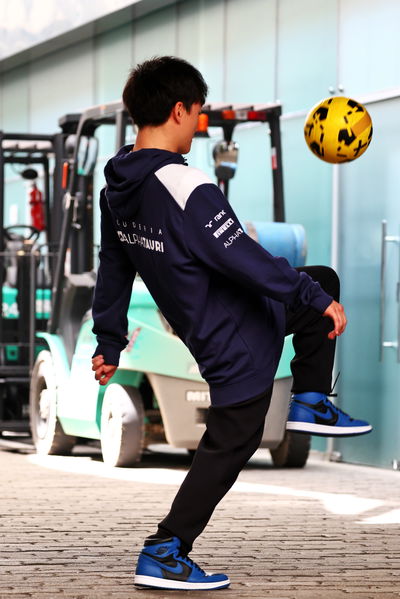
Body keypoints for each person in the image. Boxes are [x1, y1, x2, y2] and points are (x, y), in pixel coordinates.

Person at [91, 56, 372, 591]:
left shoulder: (117, 190)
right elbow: (241, 254)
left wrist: (109, 340)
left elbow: (114, 265)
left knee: (321, 279)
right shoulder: (184, 185)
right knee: (232, 442)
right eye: (197, 113)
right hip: (236, 331)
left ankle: (311, 399)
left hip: (212, 326)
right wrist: (309, 296)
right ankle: (165, 549)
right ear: (178, 110)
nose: (199, 125)